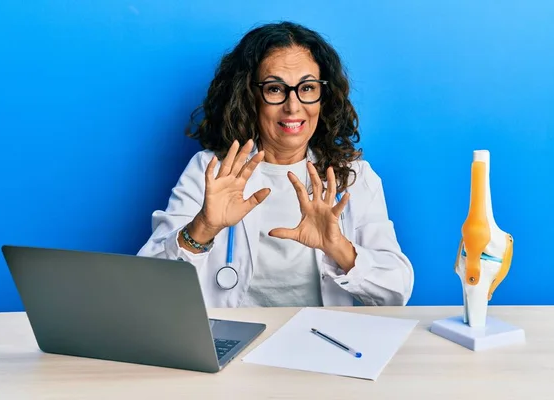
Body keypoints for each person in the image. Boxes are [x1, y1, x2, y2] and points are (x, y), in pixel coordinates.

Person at [138, 21, 414, 308]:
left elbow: (397, 291)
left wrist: (339, 248)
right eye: (275, 89)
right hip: (233, 345)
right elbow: (148, 289)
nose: (293, 106)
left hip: (323, 344)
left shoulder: (354, 177)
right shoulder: (211, 170)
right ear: (250, 97)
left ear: (323, 97)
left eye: (307, 88)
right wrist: (203, 227)